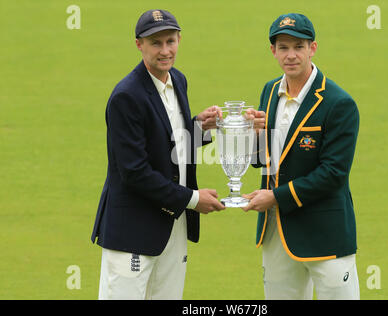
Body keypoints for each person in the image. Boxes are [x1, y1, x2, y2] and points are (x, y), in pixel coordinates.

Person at [90, 9, 225, 300]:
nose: (165, 50)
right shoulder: (126, 96)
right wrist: (193, 199)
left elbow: (165, 142)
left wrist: (198, 128)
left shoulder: (178, 80)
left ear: (179, 40)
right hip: (133, 232)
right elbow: (135, 171)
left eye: (171, 41)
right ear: (139, 44)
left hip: (172, 228)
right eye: (156, 43)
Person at [242, 13, 360, 300]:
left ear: (313, 48)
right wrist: (255, 135)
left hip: (325, 235)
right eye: (283, 47)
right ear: (273, 51)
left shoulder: (339, 103)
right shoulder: (269, 91)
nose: (291, 55)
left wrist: (276, 197)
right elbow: (266, 161)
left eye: (298, 46)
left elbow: (333, 174)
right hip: (276, 233)